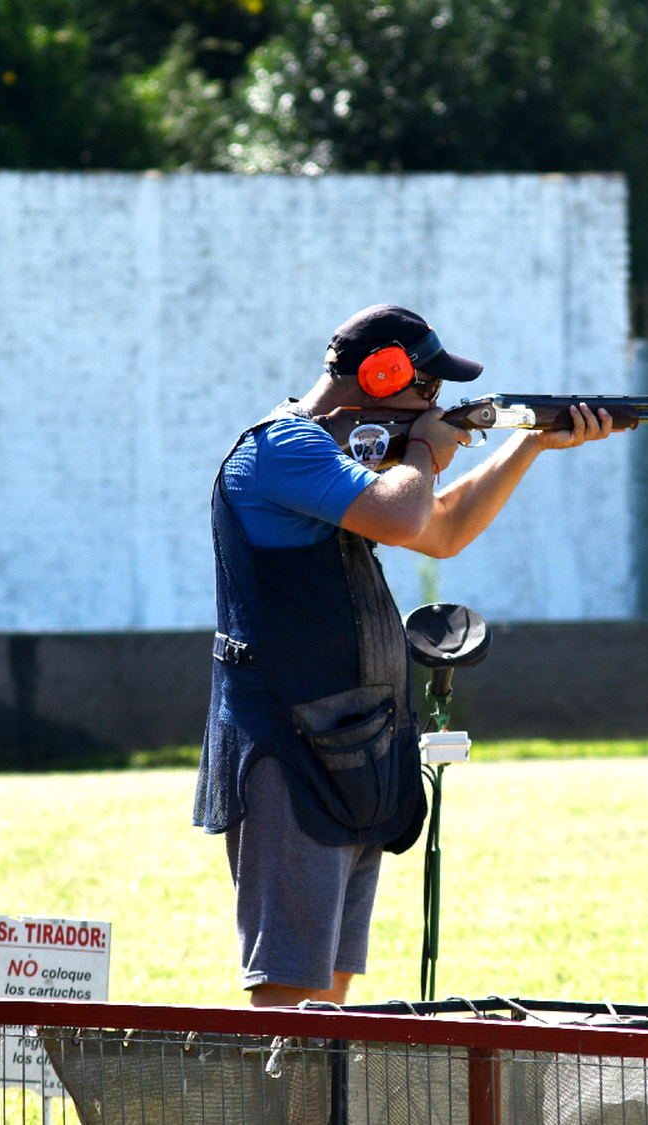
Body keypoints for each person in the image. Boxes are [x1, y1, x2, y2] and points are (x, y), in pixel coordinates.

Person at [193, 304, 613, 1007]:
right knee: (289, 992)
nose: (439, 403)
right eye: (426, 387)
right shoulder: (285, 448)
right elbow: (402, 513)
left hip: (352, 745)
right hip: (291, 749)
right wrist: (422, 451)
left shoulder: (335, 454)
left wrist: (530, 443)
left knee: (329, 990)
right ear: (382, 376)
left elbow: (440, 530)